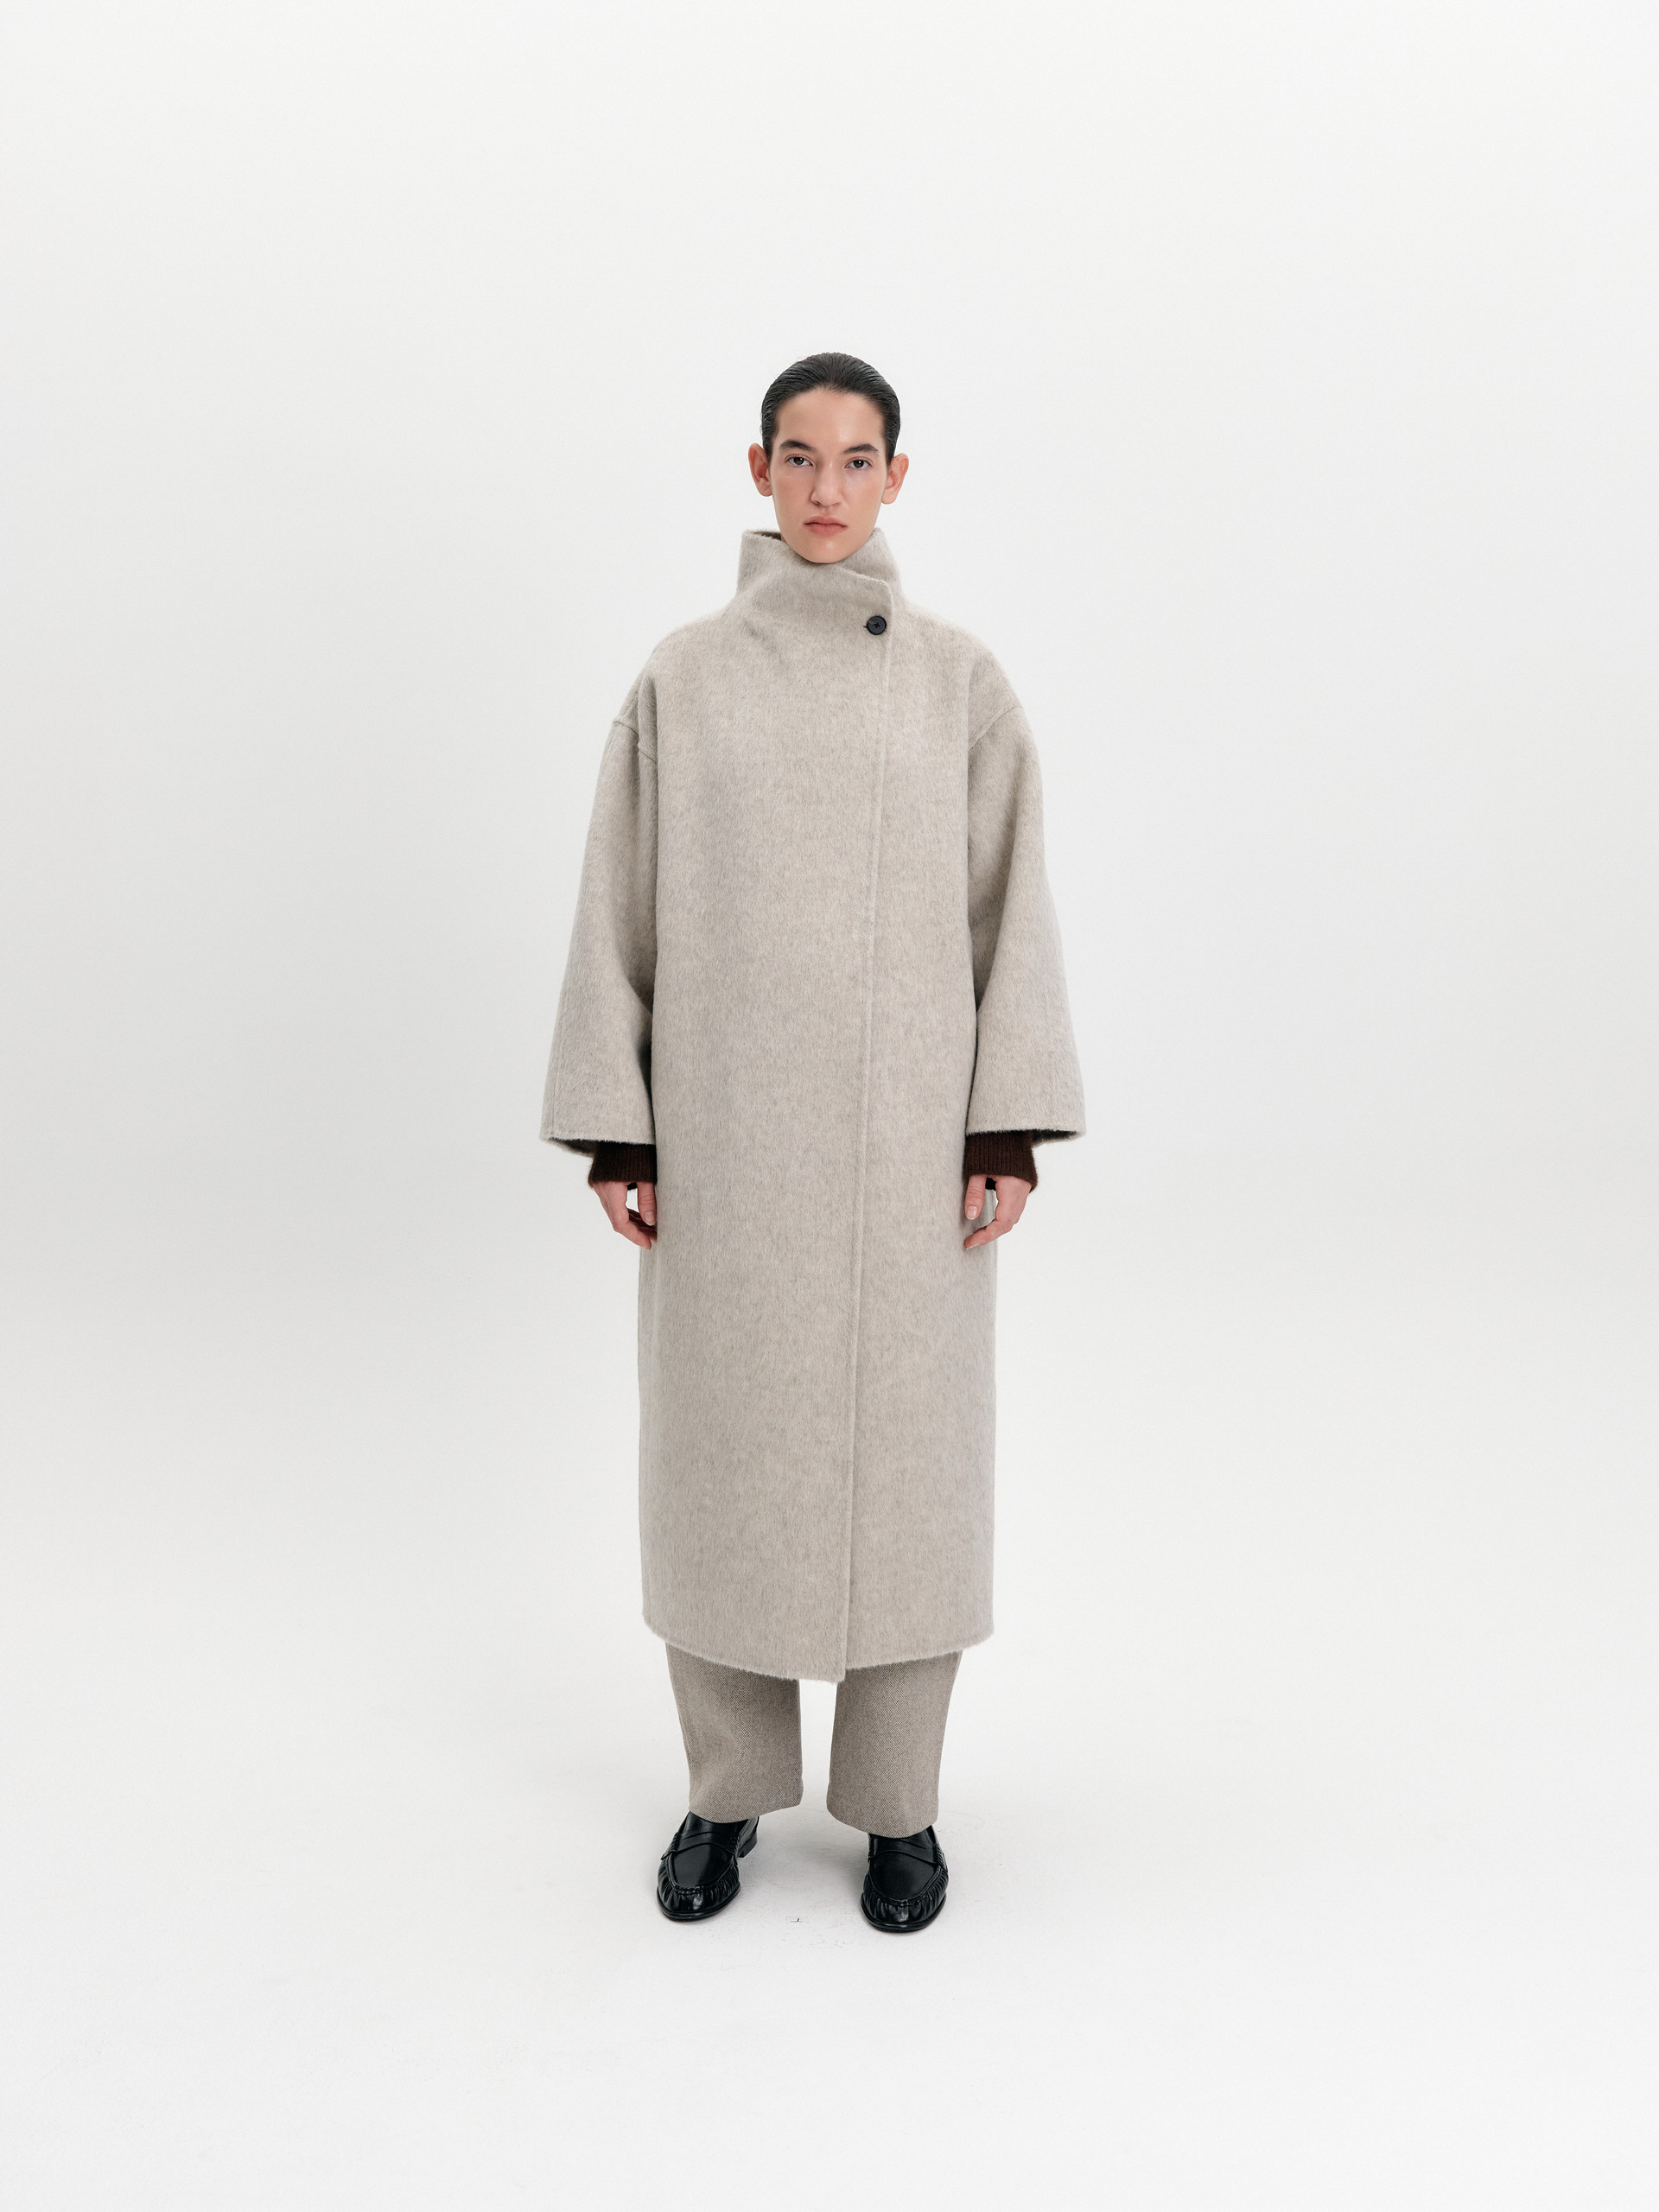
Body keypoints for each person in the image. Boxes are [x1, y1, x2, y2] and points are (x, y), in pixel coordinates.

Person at [542, 352, 1084, 1933]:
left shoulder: (959, 682)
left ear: (897, 477)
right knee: (723, 1467)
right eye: (800, 457)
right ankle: (725, 1795)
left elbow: (1011, 908)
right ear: (759, 471)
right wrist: (621, 1131)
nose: (827, 489)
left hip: (912, 1151)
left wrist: (1004, 1122)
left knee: (910, 1484)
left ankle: (900, 1814)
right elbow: (617, 903)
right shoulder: (683, 680)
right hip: (730, 1142)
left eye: (857, 460)